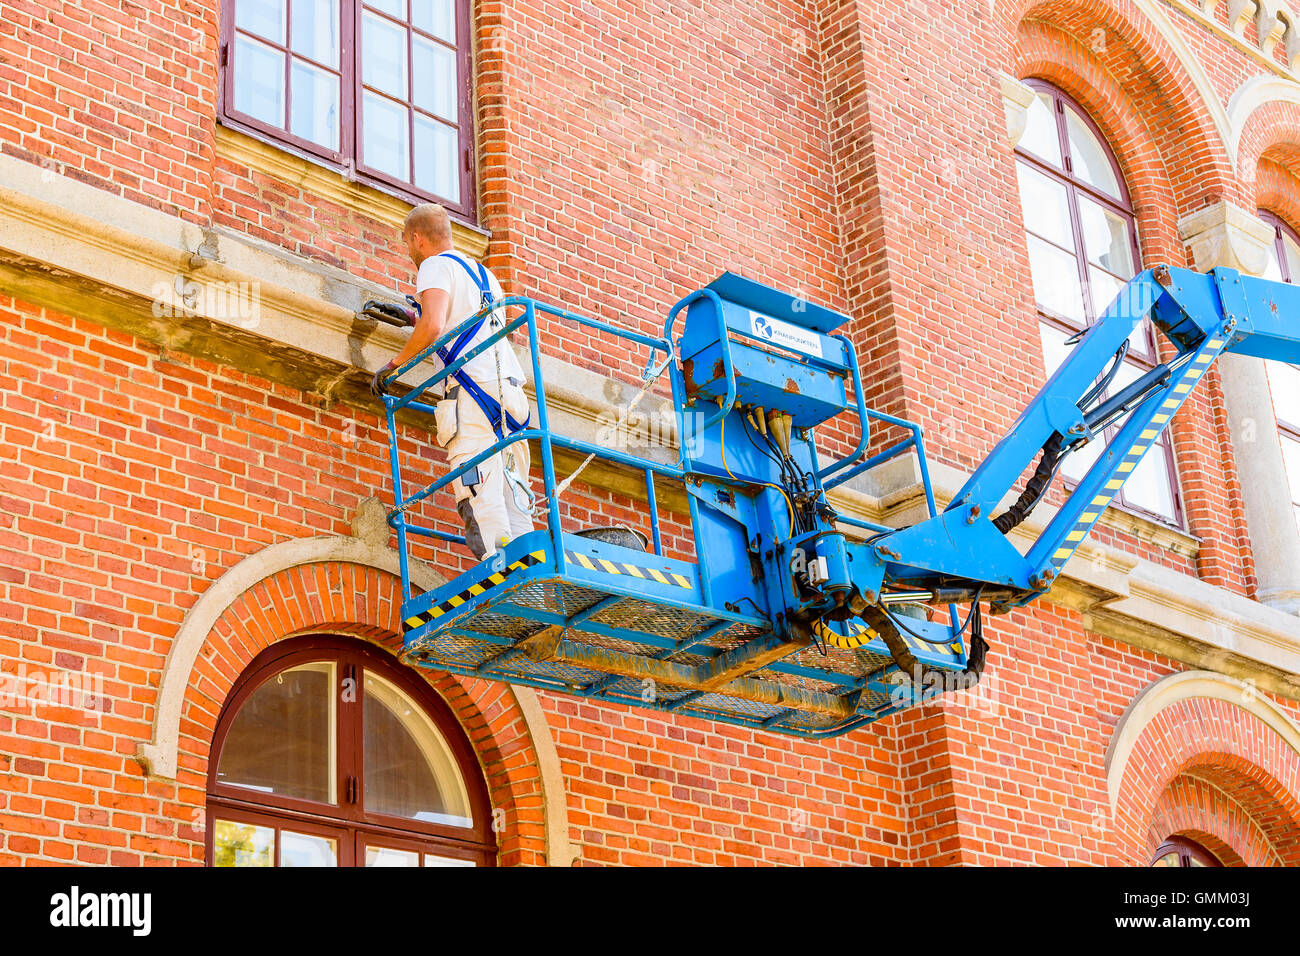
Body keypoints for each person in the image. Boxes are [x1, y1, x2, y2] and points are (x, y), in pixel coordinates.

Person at [364, 203, 534, 560]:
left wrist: (393, 366)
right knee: (513, 495)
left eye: (408, 244)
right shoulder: (487, 276)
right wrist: (414, 316)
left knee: (479, 494)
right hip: (512, 395)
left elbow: (435, 327)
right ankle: (530, 575)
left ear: (417, 238)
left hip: (473, 398)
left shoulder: (433, 265)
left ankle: (503, 577)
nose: (410, 252)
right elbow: (465, 325)